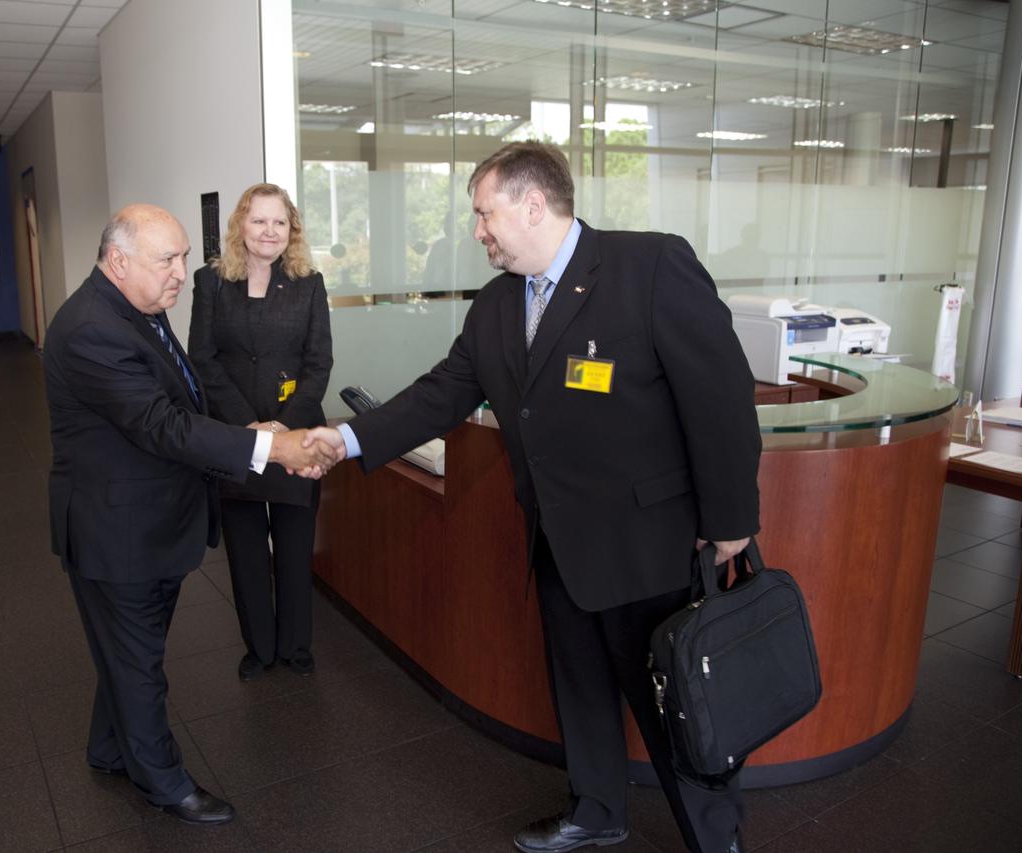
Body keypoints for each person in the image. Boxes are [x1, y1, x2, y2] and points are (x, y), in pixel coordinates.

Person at [306, 142, 760, 853]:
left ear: (533, 203)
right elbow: (442, 394)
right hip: (557, 540)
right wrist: (345, 439)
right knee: (578, 687)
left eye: (485, 213)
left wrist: (732, 520)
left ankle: (716, 836)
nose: (477, 230)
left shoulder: (649, 267)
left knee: (676, 704)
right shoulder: (495, 306)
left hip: (650, 543)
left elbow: (722, 399)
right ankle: (597, 808)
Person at [42, 204, 335, 825]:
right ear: (118, 262)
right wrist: (272, 447)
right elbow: (162, 424)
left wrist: (256, 432)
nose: (181, 272)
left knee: (127, 651)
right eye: (167, 260)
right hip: (115, 529)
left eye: (181, 257)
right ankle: (163, 781)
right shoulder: (93, 328)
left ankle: (109, 748)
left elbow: (186, 396)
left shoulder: (138, 310)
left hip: (148, 519)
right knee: (139, 660)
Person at [188, 184, 332, 681]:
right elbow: (202, 359)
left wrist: (282, 427)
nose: (269, 231)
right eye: (259, 220)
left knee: (294, 547)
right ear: (240, 226)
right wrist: (250, 427)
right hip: (235, 436)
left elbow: (319, 364)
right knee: (246, 551)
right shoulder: (210, 283)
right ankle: (260, 648)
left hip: (296, 437)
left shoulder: (309, 283)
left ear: (291, 229)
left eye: (279, 222)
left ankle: (295, 647)